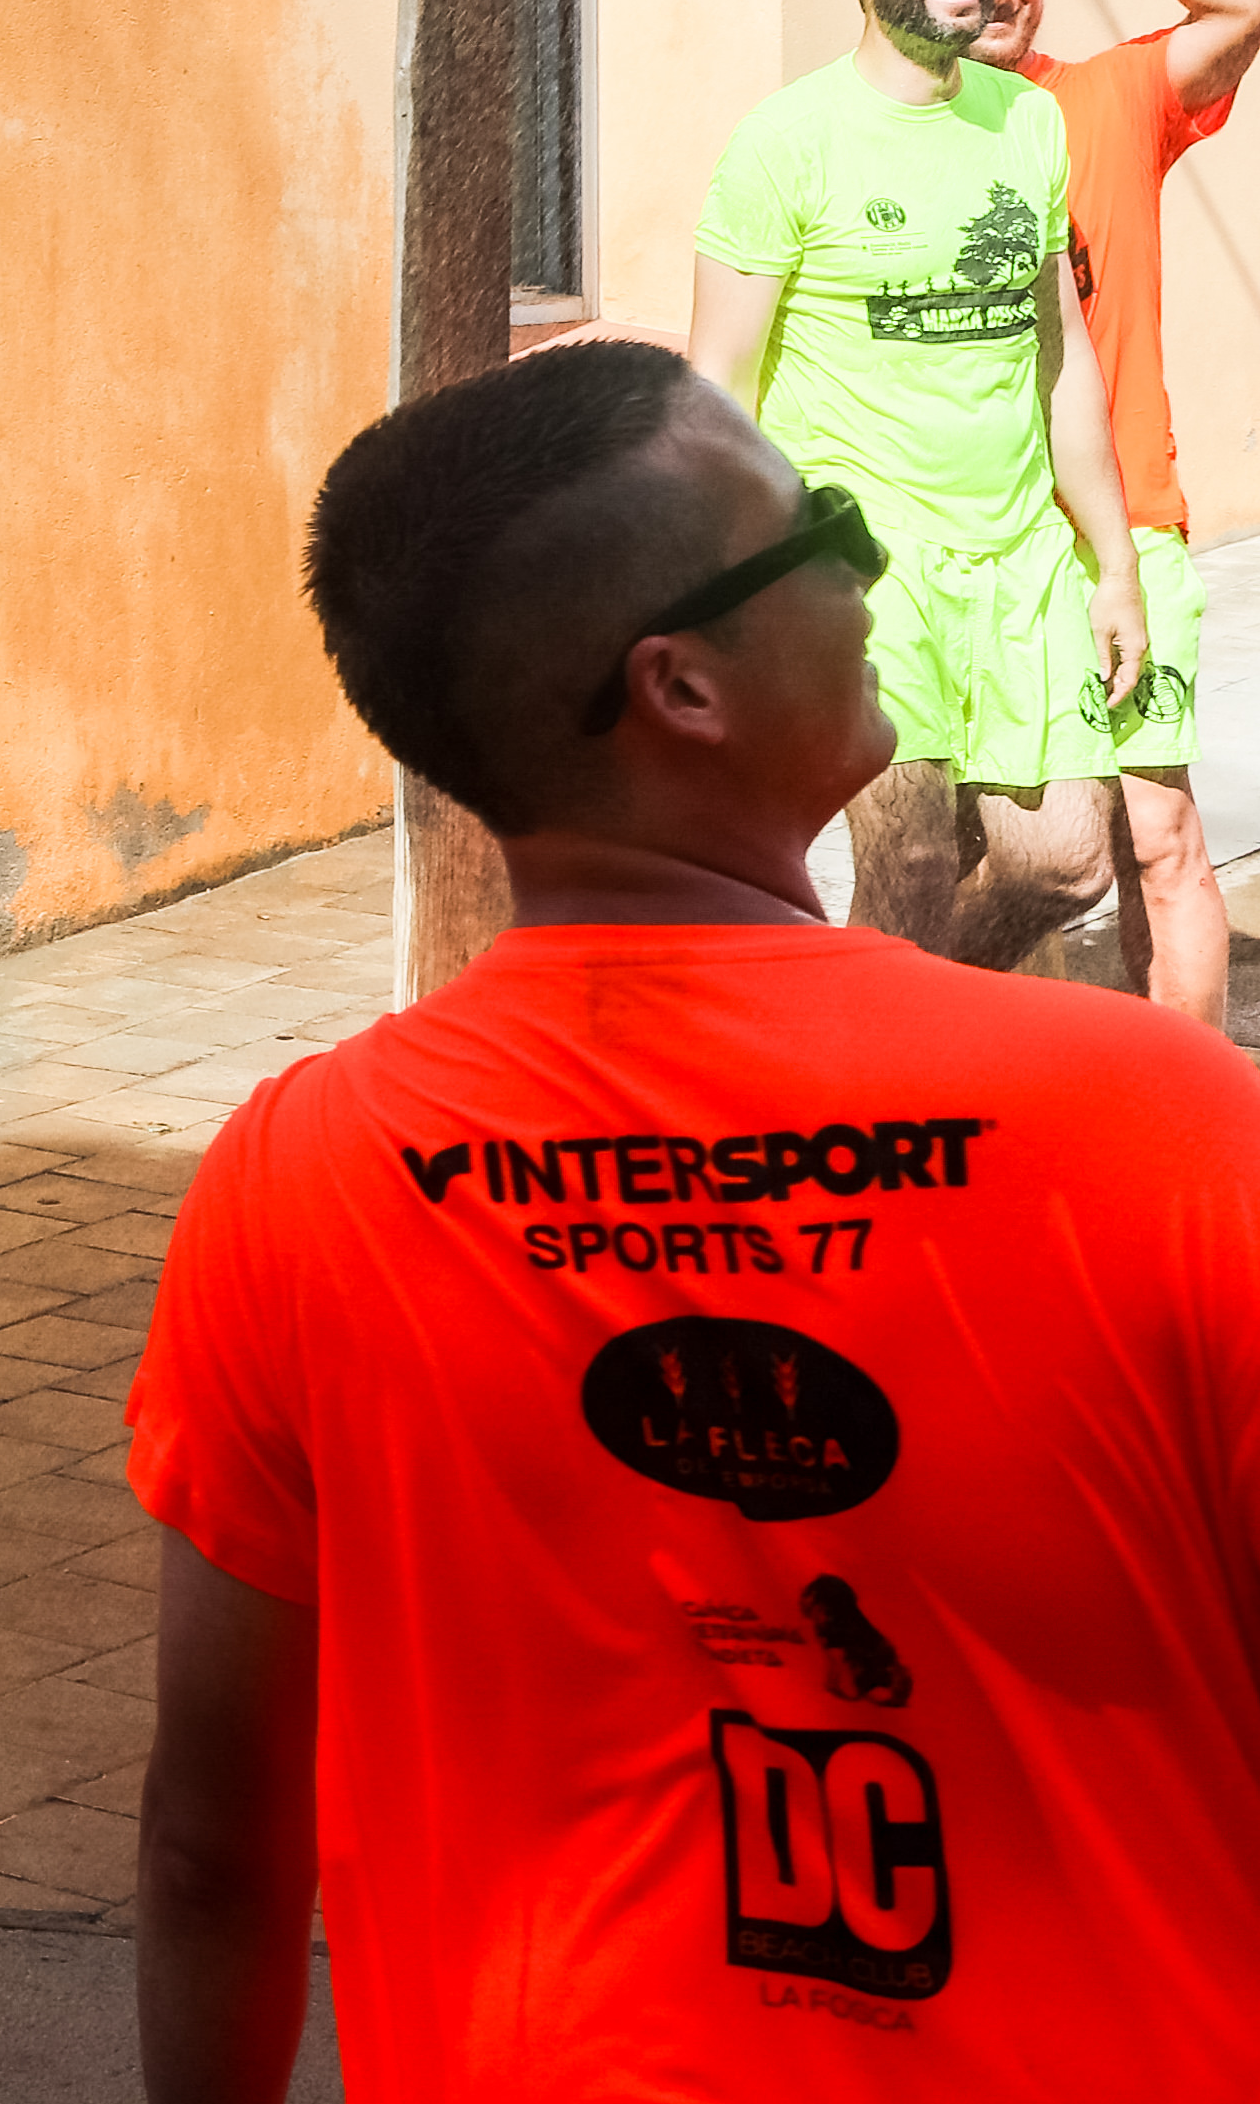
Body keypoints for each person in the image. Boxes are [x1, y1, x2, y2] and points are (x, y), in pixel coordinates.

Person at [131, 333, 1260, 2096]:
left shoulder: (299, 1179)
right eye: (813, 527)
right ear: (678, 687)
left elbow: (212, 1842)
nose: (864, 562)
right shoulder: (1154, 1122)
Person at [685, 0, 1145, 972]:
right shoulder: (783, 142)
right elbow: (714, 390)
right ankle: (886, 1055)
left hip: (1021, 561)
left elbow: (1058, 356)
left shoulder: (1026, 121)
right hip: (856, 565)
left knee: (1063, 865)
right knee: (911, 862)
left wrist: (1114, 562)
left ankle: (876, 1018)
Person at [952, 0, 1260, 1030]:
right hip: (961, 547)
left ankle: (1180, 1107)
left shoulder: (1109, 98)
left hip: (1124, 530)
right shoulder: (879, 137)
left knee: (1156, 837)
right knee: (979, 848)